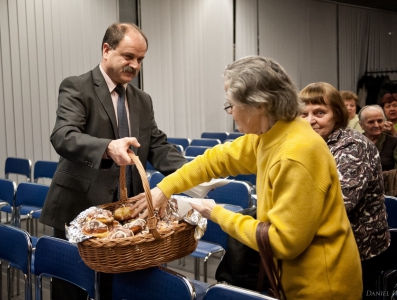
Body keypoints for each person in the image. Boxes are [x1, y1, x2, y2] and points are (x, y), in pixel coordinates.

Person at [131, 56, 362, 299]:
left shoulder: (295, 153)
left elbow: (283, 242)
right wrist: (164, 188)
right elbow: (214, 160)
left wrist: (215, 212)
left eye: (231, 104)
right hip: (294, 281)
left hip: (323, 288)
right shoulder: (271, 135)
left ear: (259, 104)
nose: (230, 112)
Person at [39, 23, 187, 300]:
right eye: (128, 57)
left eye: (140, 60)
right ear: (106, 50)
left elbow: (157, 145)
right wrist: (107, 147)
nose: (135, 65)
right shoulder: (77, 87)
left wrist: (194, 171)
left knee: (119, 289)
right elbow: (63, 136)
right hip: (80, 210)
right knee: (72, 289)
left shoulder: (143, 100)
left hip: (126, 215)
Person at [299, 82, 390, 299]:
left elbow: (339, 203)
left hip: (359, 249)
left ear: (337, 115)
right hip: (323, 244)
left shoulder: (353, 146)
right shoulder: (312, 142)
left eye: (319, 112)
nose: (310, 120)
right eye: (304, 113)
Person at [358, 105, 397, 171]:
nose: (376, 125)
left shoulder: (394, 142)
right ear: (361, 125)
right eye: (371, 122)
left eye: (380, 121)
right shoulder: (355, 142)